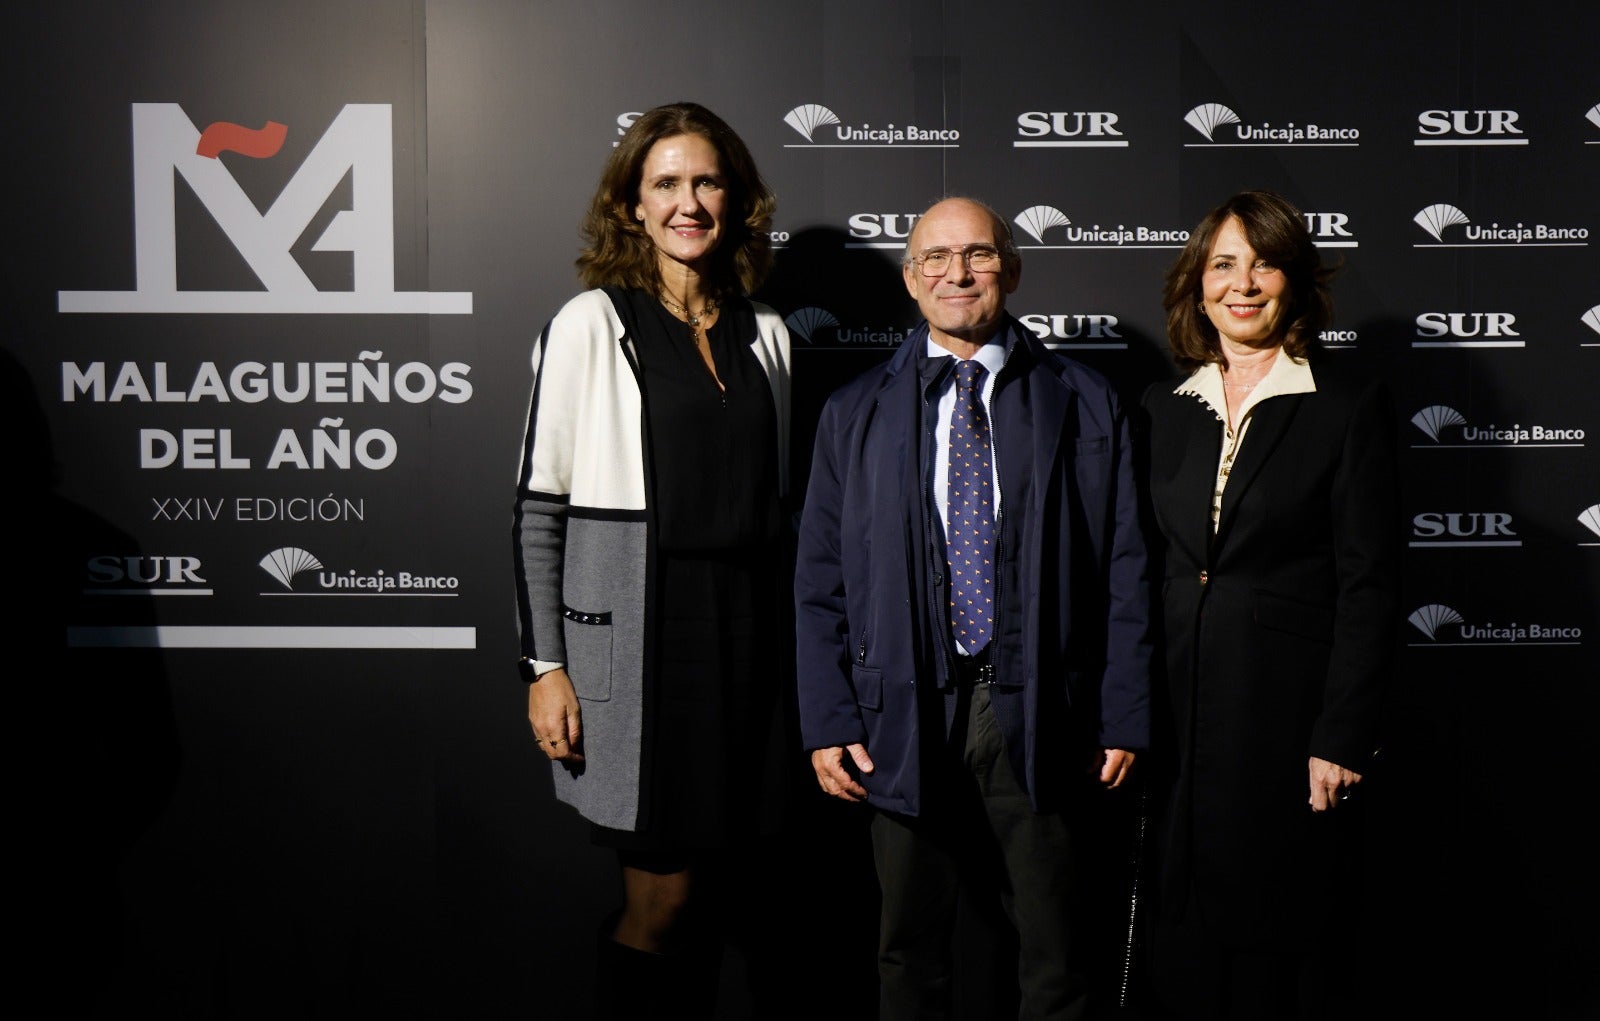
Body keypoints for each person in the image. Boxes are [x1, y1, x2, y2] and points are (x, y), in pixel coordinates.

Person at [794, 196, 1153, 1020]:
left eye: (980, 255)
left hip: (1044, 710)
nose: (958, 273)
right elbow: (818, 580)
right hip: (899, 715)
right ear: (912, 280)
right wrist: (827, 716)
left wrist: (1124, 713)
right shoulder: (853, 412)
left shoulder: (1087, 400)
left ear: (1012, 270)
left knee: (1058, 955)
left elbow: (1126, 570)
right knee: (909, 955)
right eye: (936, 258)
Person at [511, 101, 790, 1016]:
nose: (688, 201)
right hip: (643, 640)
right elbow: (538, 510)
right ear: (631, 206)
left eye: (706, 180)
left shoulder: (771, 335)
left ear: (735, 196)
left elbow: (783, 509)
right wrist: (545, 665)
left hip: (752, 639)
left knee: (741, 897)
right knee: (661, 899)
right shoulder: (593, 323)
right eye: (664, 183)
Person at [1140, 190, 1399, 1019]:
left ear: (1294, 280)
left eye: (1264, 262)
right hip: (1174, 714)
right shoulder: (1162, 408)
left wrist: (1342, 733)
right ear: (1197, 283)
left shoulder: (1345, 406)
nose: (1242, 283)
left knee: (1275, 940)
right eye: (1222, 264)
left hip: (1286, 719)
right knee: (1182, 938)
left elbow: (1372, 583)